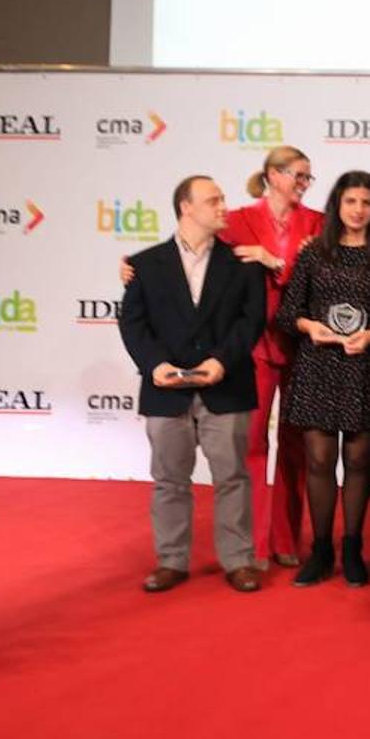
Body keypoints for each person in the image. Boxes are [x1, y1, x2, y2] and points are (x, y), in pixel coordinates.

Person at [119, 147, 324, 568]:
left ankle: (275, 545)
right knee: (239, 453)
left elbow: (309, 281)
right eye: (298, 175)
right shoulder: (237, 223)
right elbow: (169, 283)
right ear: (272, 174)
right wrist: (131, 270)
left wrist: (275, 262)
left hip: (298, 345)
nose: (304, 184)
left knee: (290, 451)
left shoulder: (317, 223)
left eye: (308, 177)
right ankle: (233, 552)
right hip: (250, 351)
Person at [118, 175, 266, 594]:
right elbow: (133, 323)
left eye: (222, 199)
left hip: (227, 385)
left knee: (233, 476)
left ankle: (238, 560)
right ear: (186, 207)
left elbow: (250, 322)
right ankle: (171, 560)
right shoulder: (144, 265)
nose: (223, 207)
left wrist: (221, 361)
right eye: (213, 200)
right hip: (166, 391)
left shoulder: (243, 264)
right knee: (169, 479)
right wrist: (155, 365)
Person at [276, 170, 370, 587]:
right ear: (337, 206)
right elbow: (287, 313)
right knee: (319, 460)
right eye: (351, 202)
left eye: (366, 203)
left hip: (365, 367)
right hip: (318, 365)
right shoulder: (314, 253)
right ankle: (321, 550)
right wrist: (310, 327)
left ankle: (352, 547)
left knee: (358, 462)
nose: (358, 210)